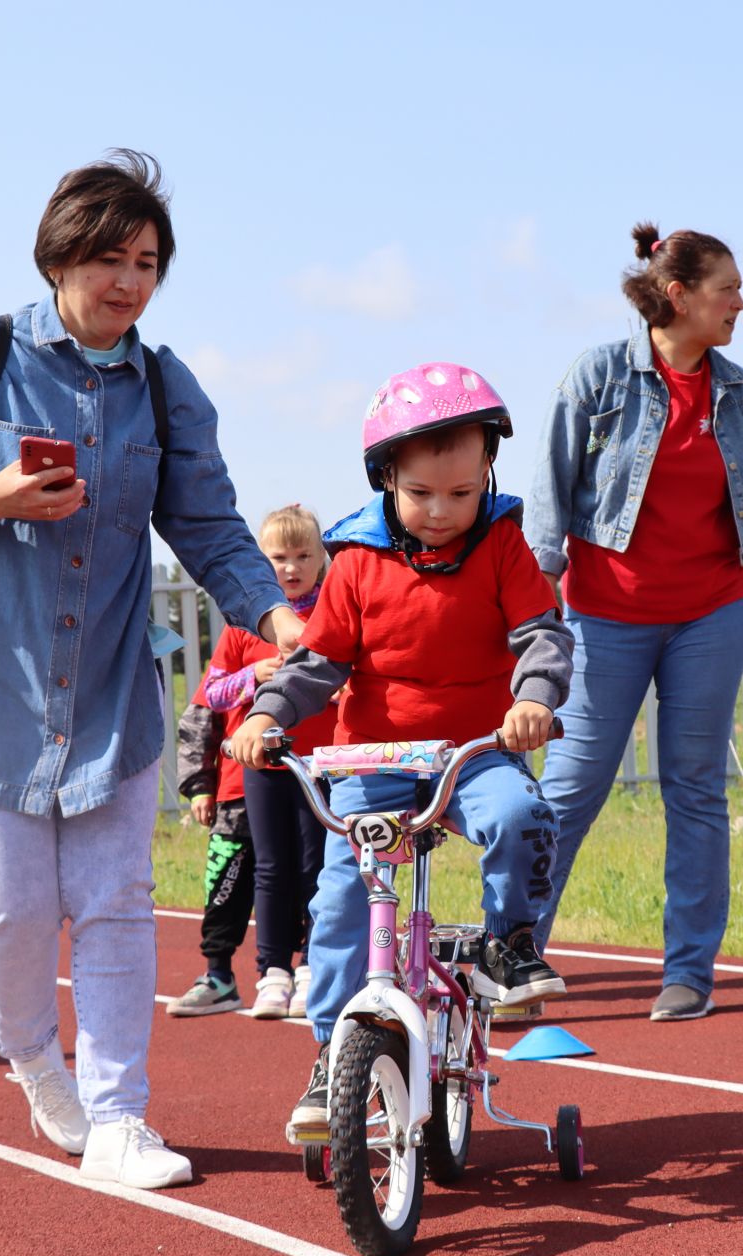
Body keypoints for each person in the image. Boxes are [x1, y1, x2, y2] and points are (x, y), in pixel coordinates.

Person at [0, 150, 302, 1188]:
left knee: (113, 897)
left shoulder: (162, 383)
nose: (129, 281)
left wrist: (280, 616)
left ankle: (119, 1114)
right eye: (109, 257)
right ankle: (31, 1055)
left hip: (107, 682)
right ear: (60, 255)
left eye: (147, 261)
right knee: (16, 903)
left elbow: (210, 526)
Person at [228, 362, 573, 1143]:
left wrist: (533, 699)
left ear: (489, 472)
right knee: (344, 904)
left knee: (523, 816)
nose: (444, 511)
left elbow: (542, 633)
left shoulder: (503, 545)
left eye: (463, 492)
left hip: (475, 750)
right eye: (422, 495)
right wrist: (267, 713)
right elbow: (317, 664)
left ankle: (508, 944)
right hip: (375, 760)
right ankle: (332, 1052)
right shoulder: (353, 561)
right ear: (387, 478)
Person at [526, 223, 743, 1023]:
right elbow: (549, 494)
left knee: (695, 791)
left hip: (710, 614)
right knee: (570, 792)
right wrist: (537, 607)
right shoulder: (598, 376)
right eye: (728, 289)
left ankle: (689, 973)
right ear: (678, 295)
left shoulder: (738, 390)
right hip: (603, 618)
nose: (741, 303)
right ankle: (513, 953)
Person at [199, 504, 338, 1020]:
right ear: (262, 561)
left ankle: (311, 967)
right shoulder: (245, 623)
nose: (292, 567)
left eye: (304, 555)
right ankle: (271, 971)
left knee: (316, 868)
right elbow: (211, 695)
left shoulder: (331, 616)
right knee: (272, 869)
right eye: (278, 557)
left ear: (322, 558)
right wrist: (254, 674)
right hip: (260, 762)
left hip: (321, 762)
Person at [168, 697, 253, 1016]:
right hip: (236, 797)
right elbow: (203, 711)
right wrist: (199, 784)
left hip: (307, 791)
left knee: (305, 893)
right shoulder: (239, 645)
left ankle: (296, 976)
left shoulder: (321, 647)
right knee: (222, 892)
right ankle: (218, 976)